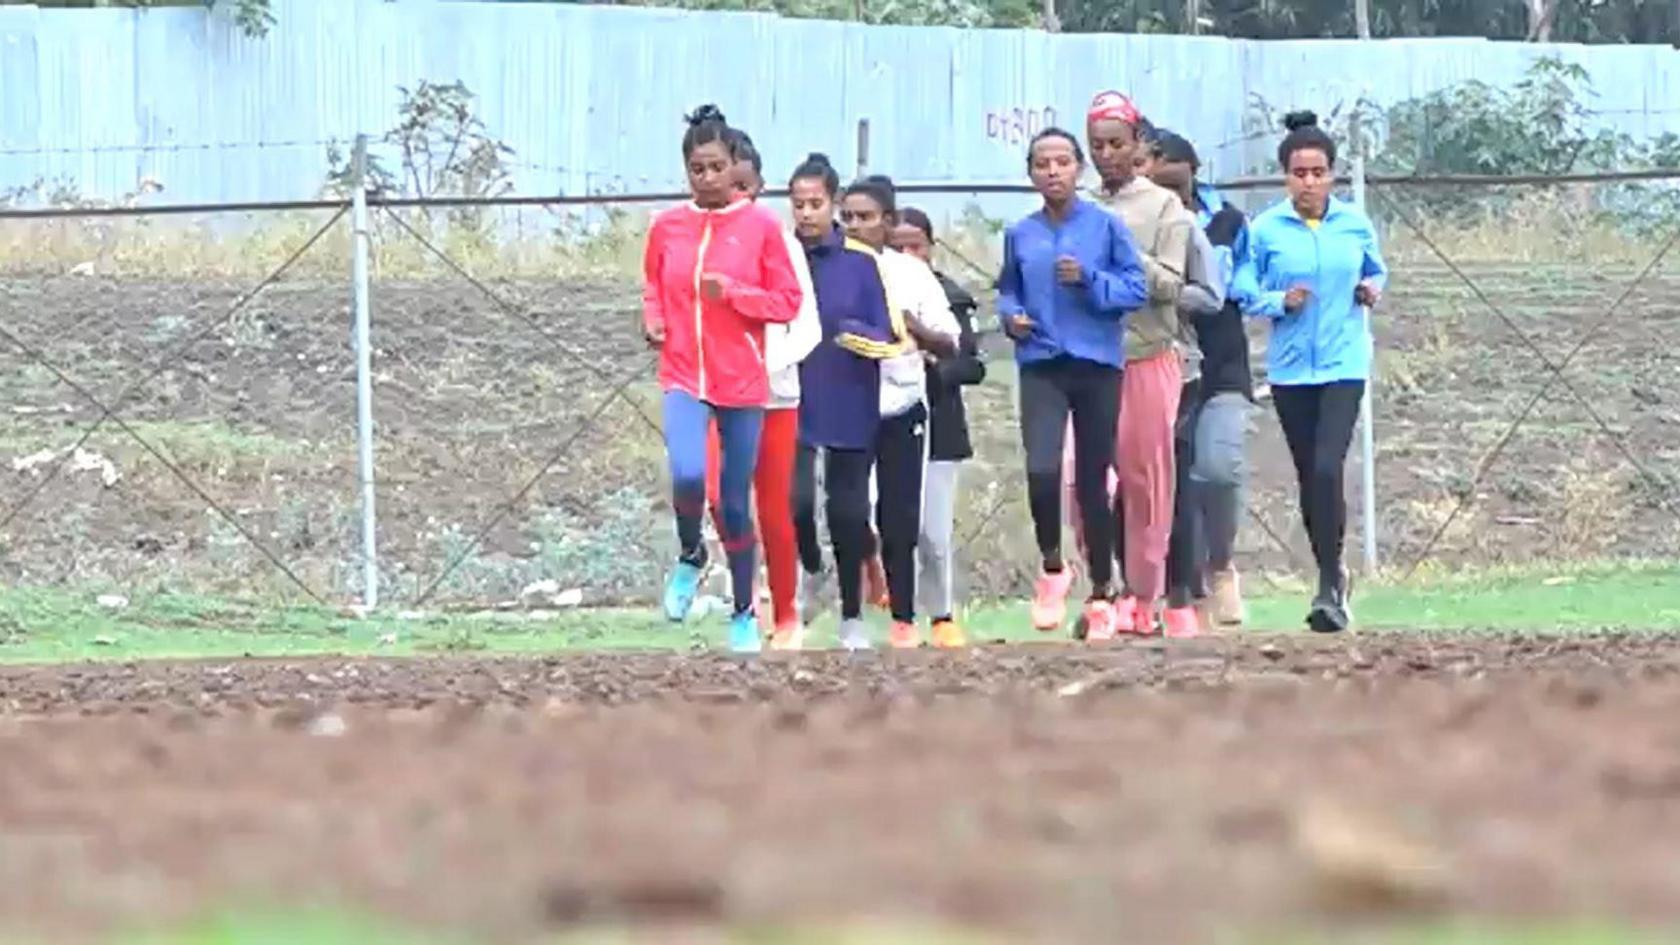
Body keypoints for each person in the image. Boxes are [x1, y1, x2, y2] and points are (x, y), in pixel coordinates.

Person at [642, 105, 803, 653]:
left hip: (742, 383)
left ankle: (742, 610)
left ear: (735, 166)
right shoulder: (667, 226)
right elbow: (653, 284)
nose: (707, 178)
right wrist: (655, 319)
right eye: (696, 169)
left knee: (735, 504)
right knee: (688, 475)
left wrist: (733, 295)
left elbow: (787, 301)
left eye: (715, 167)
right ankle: (691, 555)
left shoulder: (760, 227)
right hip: (684, 373)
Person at [1235, 110, 1388, 633]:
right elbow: (1244, 290)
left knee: (1327, 467)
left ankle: (1329, 583)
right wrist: (1281, 301)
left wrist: (1372, 290)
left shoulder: (1354, 223)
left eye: (1318, 172)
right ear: (1285, 177)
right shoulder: (1264, 230)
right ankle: (1331, 574)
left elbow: (1375, 269)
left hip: (1344, 363)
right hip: (1292, 369)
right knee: (1309, 477)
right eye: (1299, 173)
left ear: (1332, 175)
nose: (1309, 182)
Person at [997, 127, 1148, 641]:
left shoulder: (1105, 227)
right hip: (1041, 360)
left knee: (1091, 481)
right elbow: (1008, 291)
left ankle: (1104, 591)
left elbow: (1135, 288)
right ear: (1031, 173)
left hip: (1096, 363)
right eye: (1043, 163)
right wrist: (1010, 317)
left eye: (1063, 161)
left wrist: (1089, 280)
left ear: (1079, 168)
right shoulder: (1021, 234)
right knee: (1041, 469)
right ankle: (1053, 567)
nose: (1053, 171)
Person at [701, 130, 822, 650]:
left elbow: (806, 324)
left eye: (746, 186)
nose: (737, 196)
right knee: (714, 495)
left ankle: (787, 611)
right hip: (716, 392)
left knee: (774, 506)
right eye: (729, 185)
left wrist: (761, 365)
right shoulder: (700, 237)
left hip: (772, 395)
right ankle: (745, 602)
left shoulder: (780, 240)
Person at [1084, 91, 1195, 636]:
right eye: (1097, 145)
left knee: (1145, 481)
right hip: (1085, 361)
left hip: (1147, 356)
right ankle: (1100, 587)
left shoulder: (1162, 207)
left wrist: (1123, 251)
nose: (1106, 154)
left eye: (1116, 144)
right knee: (1080, 480)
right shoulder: (1076, 204)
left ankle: (1143, 597)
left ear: (1137, 147)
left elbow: (1172, 285)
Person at [785, 153, 902, 651]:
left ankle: (852, 615)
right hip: (791, 394)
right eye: (798, 204)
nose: (807, 213)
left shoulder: (861, 263)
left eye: (816, 203)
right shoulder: (782, 257)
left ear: (832, 204)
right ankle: (811, 568)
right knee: (796, 502)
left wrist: (861, 338)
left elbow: (890, 335)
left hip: (850, 394)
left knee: (849, 513)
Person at [839, 175, 962, 649]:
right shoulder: (828, 270)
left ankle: (905, 619)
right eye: (846, 217)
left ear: (887, 223)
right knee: (850, 516)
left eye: (865, 217)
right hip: (845, 408)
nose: (854, 226)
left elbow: (951, 342)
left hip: (902, 405)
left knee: (901, 517)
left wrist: (913, 330)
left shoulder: (911, 274)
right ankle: (851, 617)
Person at [1154, 131, 1256, 630]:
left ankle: (1221, 564)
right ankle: (1180, 589)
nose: (1163, 171)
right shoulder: (1138, 222)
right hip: (1159, 360)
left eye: (1172, 162)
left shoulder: (1228, 221)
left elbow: (1243, 286)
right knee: (1170, 483)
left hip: (1221, 361)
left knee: (1216, 468)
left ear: (1193, 167)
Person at [890, 206, 986, 648]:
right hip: (885, 423)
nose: (909, 254)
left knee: (934, 532)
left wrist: (934, 368)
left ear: (931, 247)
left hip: (940, 427)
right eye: (898, 246)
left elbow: (972, 364)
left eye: (917, 245)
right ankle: (897, 613)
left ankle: (942, 615)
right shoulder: (873, 293)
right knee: (884, 523)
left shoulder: (953, 297)